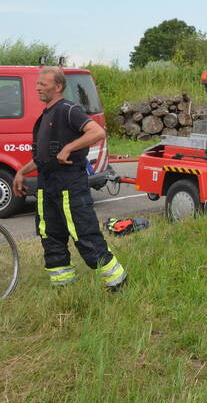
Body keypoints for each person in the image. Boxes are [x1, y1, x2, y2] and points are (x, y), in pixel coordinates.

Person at [13, 67, 127, 290]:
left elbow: (97, 132)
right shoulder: (44, 117)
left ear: (58, 86)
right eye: (37, 84)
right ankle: (63, 285)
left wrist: (69, 148)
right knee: (50, 237)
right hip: (47, 187)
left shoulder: (68, 110)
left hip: (69, 185)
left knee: (85, 235)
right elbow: (43, 158)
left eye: (43, 84)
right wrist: (21, 172)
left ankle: (117, 283)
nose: (37, 88)